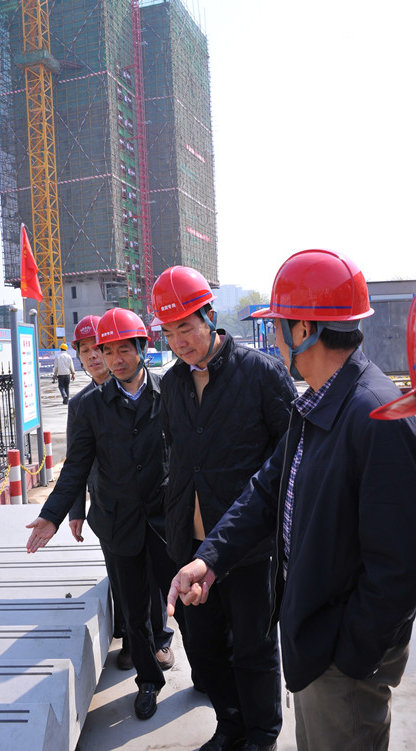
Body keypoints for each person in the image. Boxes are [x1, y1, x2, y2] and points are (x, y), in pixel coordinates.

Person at [167, 249, 416, 751]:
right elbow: (266, 489)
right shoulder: (320, 403)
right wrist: (210, 559)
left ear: (304, 329)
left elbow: (398, 568)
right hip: (318, 642)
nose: (275, 338)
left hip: (341, 658)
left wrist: (348, 655)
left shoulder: (376, 416)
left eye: (278, 325)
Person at [151, 265, 297, 751]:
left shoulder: (261, 374)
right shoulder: (173, 384)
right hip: (189, 544)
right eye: (169, 333)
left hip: (247, 547)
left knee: (254, 648)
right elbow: (176, 453)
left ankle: (261, 735)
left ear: (210, 317)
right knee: (205, 646)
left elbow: (289, 457)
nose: (179, 342)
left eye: (187, 328)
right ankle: (230, 726)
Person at [26, 308, 182, 720]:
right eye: (106, 351)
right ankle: (148, 681)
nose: (114, 359)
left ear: (142, 348)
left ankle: (207, 671)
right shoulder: (91, 406)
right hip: (117, 523)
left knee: (186, 602)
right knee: (134, 610)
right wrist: (53, 514)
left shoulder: (170, 392)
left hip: (167, 520)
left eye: (123, 350)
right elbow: (76, 467)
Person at [67, 314, 174, 673]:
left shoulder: (161, 391)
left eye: (102, 349)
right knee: (124, 581)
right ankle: (134, 643)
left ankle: (160, 640)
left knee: (158, 582)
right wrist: (75, 511)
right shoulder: (82, 405)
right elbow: (76, 463)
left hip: (155, 507)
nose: (97, 357)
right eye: (88, 351)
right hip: (110, 508)